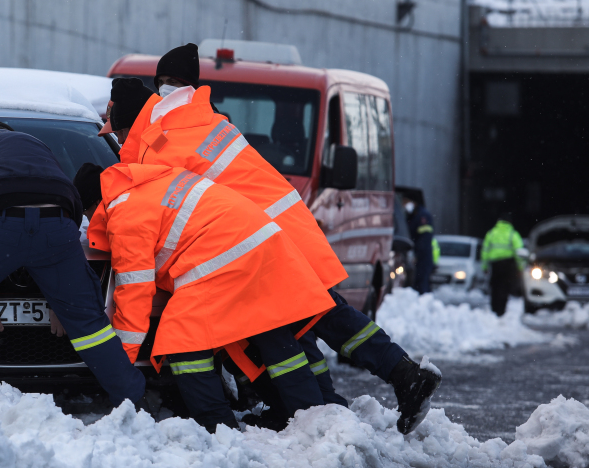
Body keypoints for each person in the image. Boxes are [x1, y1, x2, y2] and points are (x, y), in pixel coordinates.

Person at [106, 47, 441, 434]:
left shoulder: (168, 136)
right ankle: (329, 403)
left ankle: (396, 379)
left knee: (317, 315)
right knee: (308, 318)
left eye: (164, 84)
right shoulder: (211, 123)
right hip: (280, 226)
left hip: (262, 236)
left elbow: (158, 197)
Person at [77, 162, 333, 432]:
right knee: (271, 335)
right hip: (256, 243)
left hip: (224, 256)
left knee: (181, 340)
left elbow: (134, 293)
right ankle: (309, 414)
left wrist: (118, 364)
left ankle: (217, 427)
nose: (89, 220)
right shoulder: (147, 184)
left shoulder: (124, 214)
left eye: (86, 213)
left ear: (95, 203)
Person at [0, 124, 147, 408]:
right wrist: (58, 299)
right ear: (9, 133)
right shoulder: (35, 146)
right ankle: (133, 400)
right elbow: (71, 205)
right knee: (88, 320)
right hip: (58, 224)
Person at [482, 213, 525, 316]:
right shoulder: (513, 234)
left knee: (495, 287)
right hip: (508, 265)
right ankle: (501, 310)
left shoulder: (491, 233)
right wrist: (520, 267)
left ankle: (494, 309)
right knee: (505, 287)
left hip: (495, 265)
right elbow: (519, 252)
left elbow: (485, 251)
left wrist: (485, 266)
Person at [405, 195, 436, 295]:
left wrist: (417, 254)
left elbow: (424, 238)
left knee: (422, 280)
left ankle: (422, 300)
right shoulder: (413, 215)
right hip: (419, 254)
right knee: (419, 280)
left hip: (423, 254)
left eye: (405, 201)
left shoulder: (423, 216)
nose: (404, 204)